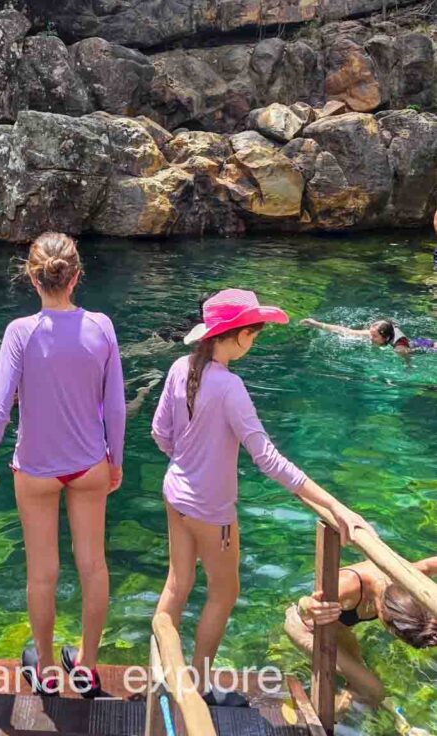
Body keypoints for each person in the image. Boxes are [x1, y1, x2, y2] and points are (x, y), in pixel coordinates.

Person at [152, 289, 376, 709]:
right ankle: (196, 688)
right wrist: (336, 506)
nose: (254, 342)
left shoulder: (180, 368)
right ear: (234, 336)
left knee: (176, 585)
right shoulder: (230, 387)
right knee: (224, 593)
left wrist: (190, 463)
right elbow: (268, 459)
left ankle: (164, 675)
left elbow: (160, 434)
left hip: (174, 494)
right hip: (210, 510)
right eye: (253, 334)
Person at [0, 232, 126, 699]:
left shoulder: (20, 332)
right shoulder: (102, 326)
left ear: (32, 277)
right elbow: (116, 407)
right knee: (93, 566)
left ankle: (46, 669)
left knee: (41, 574)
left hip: (35, 471)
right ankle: (87, 666)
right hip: (90, 465)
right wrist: (116, 461)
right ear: (76, 277)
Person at [285, 555, 437, 709]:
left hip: (338, 629)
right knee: (374, 692)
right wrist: (310, 607)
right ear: (384, 612)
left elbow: (431, 564)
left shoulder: (410, 577)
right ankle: (319, 718)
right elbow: (304, 605)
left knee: (360, 679)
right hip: (305, 629)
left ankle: (341, 707)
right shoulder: (348, 585)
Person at [301, 317, 435, 357]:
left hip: (424, 346)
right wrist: (317, 324)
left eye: (374, 336)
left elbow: (408, 360)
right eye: (370, 334)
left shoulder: (399, 348)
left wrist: (408, 367)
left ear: (385, 338)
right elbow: (345, 331)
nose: (370, 338)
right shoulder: (377, 334)